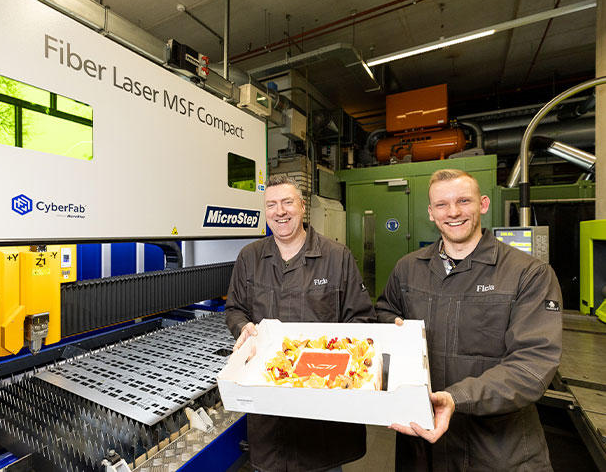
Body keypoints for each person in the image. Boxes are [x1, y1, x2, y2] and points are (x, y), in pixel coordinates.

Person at [376, 168, 562, 471]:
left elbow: (532, 365)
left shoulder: (528, 273)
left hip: (499, 451)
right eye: (442, 205)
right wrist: (394, 333)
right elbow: (384, 315)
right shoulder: (408, 269)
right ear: (431, 213)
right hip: (423, 446)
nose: (453, 212)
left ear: (483, 204)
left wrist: (456, 398)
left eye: (463, 201)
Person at [226, 174, 376, 472]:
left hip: (323, 406)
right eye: (271, 205)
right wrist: (243, 327)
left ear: (302, 206)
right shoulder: (249, 258)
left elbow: (362, 319)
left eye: (287, 202)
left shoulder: (336, 257)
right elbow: (235, 309)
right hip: (269, 402)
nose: (279, 211)